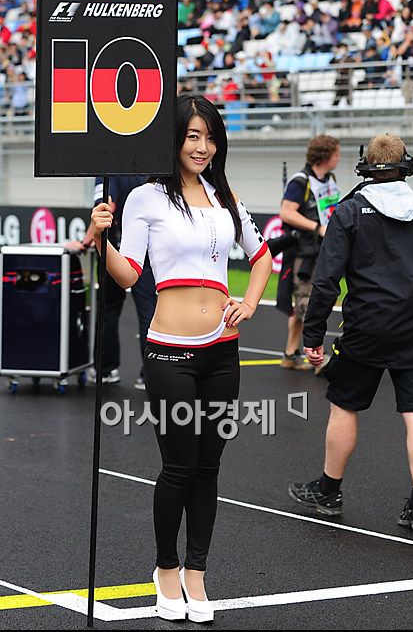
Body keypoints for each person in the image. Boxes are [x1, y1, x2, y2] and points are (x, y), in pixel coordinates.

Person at [90, 95, 272, 622]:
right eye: (193, 136)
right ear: (172, 138)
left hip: (223, 349)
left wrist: (250, 302)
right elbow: (129, 274)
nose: (202, 147)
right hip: (169, 351)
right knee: (179, 465)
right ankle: (166, 569)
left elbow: (262, 256)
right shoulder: (145, 197)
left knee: (209, 467)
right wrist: (101, 238)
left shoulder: (224, 195)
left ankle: (197, 572)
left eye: (210, 137)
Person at [289, 134, 413, 531]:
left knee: (344, 406)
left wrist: (312, 336)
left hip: (364, 328)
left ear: (365, 168)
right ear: (407, 165)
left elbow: (326, 281)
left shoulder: (348, 211)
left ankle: (329, 491)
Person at [81, 176, 157, 389]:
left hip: (114, 249)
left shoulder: (108, 169)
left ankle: (105, 370)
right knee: (149, 311)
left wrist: (85, 242)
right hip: (147, 250)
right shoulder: (151, 169)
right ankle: (150, 374)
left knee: (108, 309)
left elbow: (106, 206)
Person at [277, 135, 341, 372]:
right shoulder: (300, 182)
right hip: (303, 254)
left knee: (307, 305)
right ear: (325, 156)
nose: (339, 158)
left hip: (322, 251)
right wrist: (317, 228)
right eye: (336, 154)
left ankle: (290, 354)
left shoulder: (329, 180)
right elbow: (286, 212)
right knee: (308, 304)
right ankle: (316, 357)